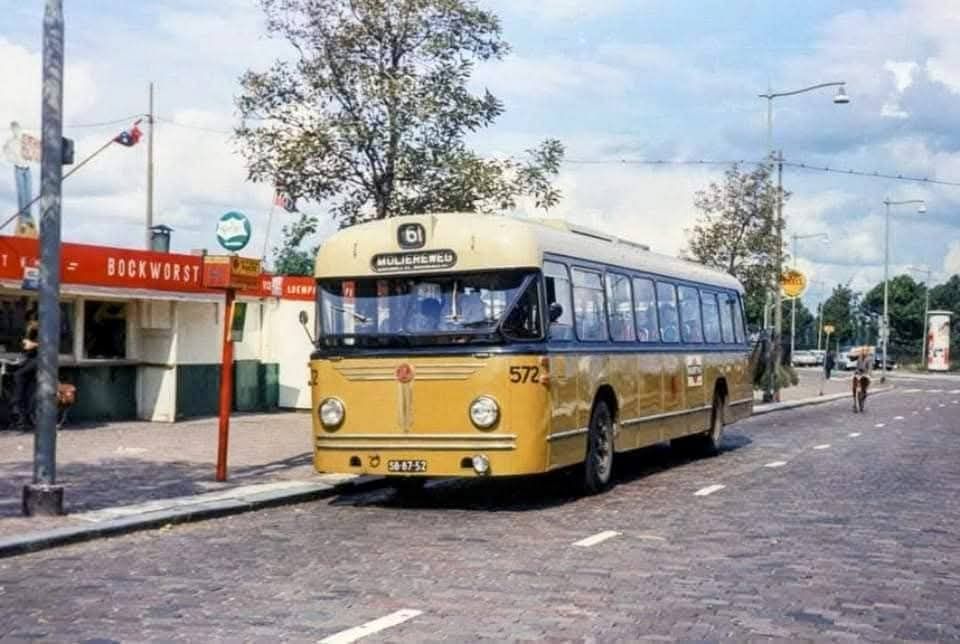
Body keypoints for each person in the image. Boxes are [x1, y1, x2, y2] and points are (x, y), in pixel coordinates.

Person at [12, 321, 39, 430]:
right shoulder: (28, 336)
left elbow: (29, 347)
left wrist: (32, 344)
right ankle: (24, 418)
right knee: (27, 391)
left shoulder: (39, 336)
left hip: (37, 362)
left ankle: (17, 401)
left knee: (18, 375)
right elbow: (25, 348)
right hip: (31, 362)